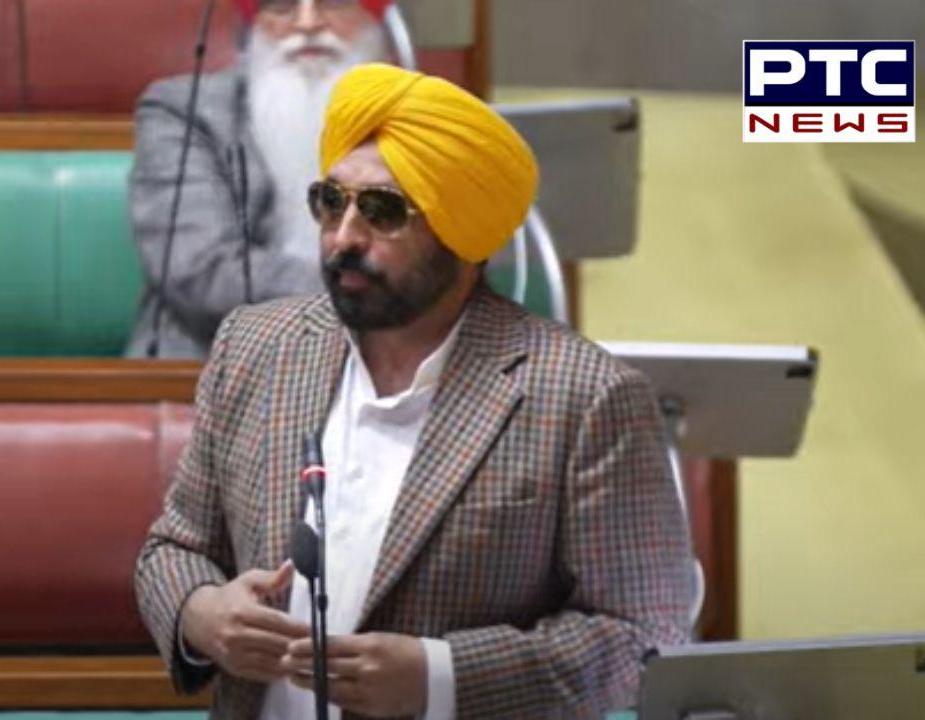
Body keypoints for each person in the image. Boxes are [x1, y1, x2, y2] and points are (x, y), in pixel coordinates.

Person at [134, 64, 693, 719]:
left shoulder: (588, 398)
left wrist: (443, 677)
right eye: (331, 201)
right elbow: (175, 547)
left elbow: (642, 638)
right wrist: (201, 613)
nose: (344, 237)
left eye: (382, 211)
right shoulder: (257, 347)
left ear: (462, 231)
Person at [127, 0, 395, 358]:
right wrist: (381, 287)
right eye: (281, 6)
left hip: (394, 362)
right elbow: (202, 273)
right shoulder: (186, 109)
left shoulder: (422, 116)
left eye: (331, 2)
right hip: (214, 359)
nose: (307, 23)